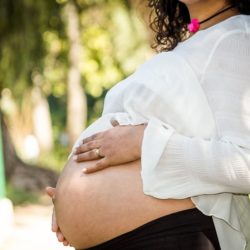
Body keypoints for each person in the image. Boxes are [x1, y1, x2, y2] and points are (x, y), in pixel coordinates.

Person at [46, 0, 250, 249]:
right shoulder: (192, 41)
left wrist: (144, 142)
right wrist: (69, 199)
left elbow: (245, 162)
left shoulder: (238, 37)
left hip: (171, 233)